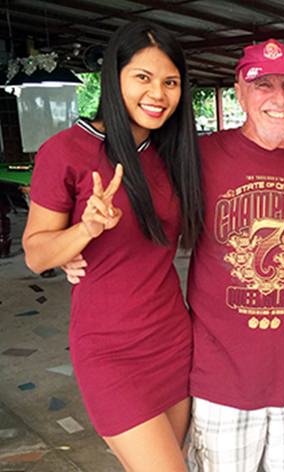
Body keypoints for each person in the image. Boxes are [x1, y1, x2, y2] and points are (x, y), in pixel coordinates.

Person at [22, 21, 202, 471]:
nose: (158, 93)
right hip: (109, 349)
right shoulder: (66, 151)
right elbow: (36, 254)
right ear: (114, 77)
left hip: (172, 338)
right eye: (143, 77)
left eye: (170, 82)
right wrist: (83, 231)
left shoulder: (173, 152)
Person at [185, 39, 284, 472]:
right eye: (262, 85)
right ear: (239, 92)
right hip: (222, 385)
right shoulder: (200, 157)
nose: (279, 99)